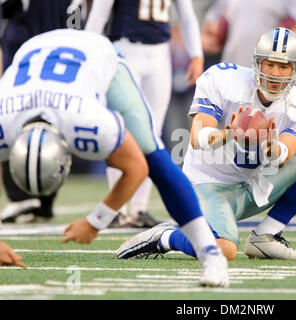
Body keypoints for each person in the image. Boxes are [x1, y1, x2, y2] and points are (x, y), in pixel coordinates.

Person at [0, 29, 228, 287]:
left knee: (154, 157)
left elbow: (136, 168)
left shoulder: (87, 120)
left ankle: (211, 256)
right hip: (33, 51)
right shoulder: (3, 120)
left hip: (96, 54)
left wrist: (96, 221)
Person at [117, 28, 296, 261]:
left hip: (255, 184)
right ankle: (165, 237)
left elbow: (282, 155)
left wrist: (270, 145)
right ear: (256, 63)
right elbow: (197, 137)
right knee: (224, 251)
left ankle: (265, 236)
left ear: (295, 70)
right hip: (209, 184)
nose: (274, 73)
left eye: (283, 67)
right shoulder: (225, 80)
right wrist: (227, 134)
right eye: (269, 64)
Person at [85, 0, 205, 227]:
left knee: (152, 132)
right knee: (120, 129)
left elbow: (187, 16)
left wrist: (196, 54)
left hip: (160, 54)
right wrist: (89, 53)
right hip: (124, 51)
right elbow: (99, 15)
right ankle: (116, 209)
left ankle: (139, 208)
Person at [0, 0, 90, 223]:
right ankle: (22, 196)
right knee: (14, 116)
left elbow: (81, 21)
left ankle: (43, 198)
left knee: (55, 121)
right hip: (28, 52)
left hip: (54, 54)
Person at [201, 0, 296, 88]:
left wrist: (284, 40)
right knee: (236, 123)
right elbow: (212, 20)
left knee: (275, 123)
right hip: (238, 74)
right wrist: (207, 37)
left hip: (278, 77)